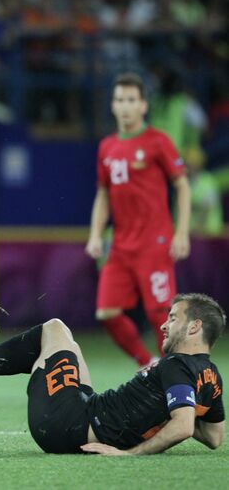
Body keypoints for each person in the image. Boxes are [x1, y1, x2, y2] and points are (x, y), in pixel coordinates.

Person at [0, 292, 225, 455]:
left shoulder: (176, 365)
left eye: (173, 318)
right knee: (65, 343)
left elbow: (184, 426)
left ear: (194, 327)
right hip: (84, 413)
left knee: (53, 329)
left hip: (65, 424)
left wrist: (131, 454)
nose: (164, 325)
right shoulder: (211, 376)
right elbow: (213, 437)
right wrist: (165, 414)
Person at [85, 72, 191, 367]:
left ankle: (176, 377)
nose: (126, 106)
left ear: (143, 105)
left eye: (131, 100)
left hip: (154, 243)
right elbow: (103, 194)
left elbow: (181, 185)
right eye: (120, 100)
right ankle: (148, 364)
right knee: (106, 312)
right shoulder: (106, 147)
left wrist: (181, 233)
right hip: (120, 246)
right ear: (113, 105)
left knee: (161, 315)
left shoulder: (158, 141)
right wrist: (95, 234)